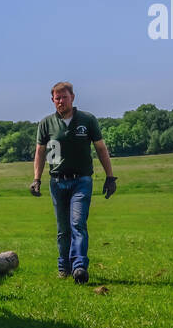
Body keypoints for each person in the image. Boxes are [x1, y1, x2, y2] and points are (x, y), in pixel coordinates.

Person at [30, 82, 117, 284]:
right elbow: (40, 152)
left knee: (77, 223)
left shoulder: (87, 120)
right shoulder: (46, 124)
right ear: (52, 100)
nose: (61, 101)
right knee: (63, 229)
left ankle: (79, 267)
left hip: (82, 181)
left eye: (64, 97)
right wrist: (36, 179)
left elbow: (101, 148)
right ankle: (64, 268)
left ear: (73, 97)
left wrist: (110, 176)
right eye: (57, 98)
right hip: (57, 182)